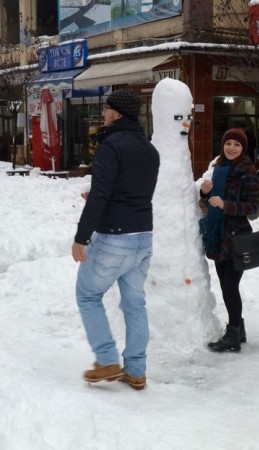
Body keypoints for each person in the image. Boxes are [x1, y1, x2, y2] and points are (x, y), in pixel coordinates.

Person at [72, 89, 160, 390]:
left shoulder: (111, 146)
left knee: (87, 295)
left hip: (115, 238)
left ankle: (108, 361)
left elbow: (102, 194)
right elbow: (133, 191)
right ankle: (136, 371)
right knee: (135, 304)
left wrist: (81, 237)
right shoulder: (150, 150)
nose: (104, 113)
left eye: (107, 108)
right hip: (143, 237)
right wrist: (100, 198)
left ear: (117, 113)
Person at [199, 128, 259, 352]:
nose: (231, 147)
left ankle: (234, 333)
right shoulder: (220, 168)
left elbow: (252, 206)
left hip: (236, 237)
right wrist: (206, 195)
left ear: (243, 148)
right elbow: (214, 202)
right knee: (226, 286)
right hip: (218, 235)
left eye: (237, 144)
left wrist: (226, 205)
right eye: (228, 143)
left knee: (230, 287)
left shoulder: (248, 171)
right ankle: (238, 329)